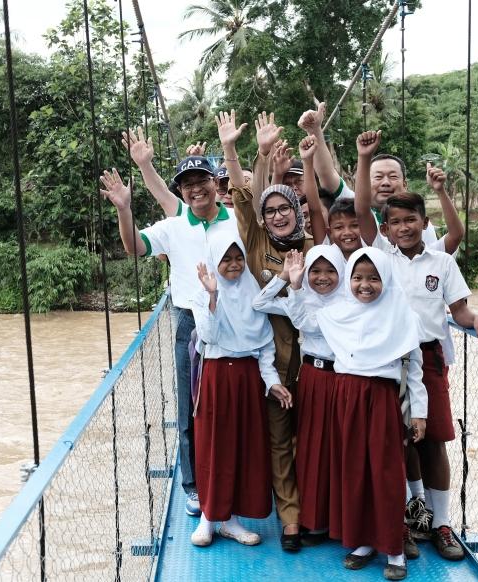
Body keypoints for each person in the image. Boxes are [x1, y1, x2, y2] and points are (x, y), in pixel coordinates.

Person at [353, 130, 478, 562]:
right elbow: (361, 210)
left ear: (422, 221)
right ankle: (406, 519)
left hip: (429, 357)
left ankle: (442, 524)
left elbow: (461, 310)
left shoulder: (442, 261)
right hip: (387, 359)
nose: (403, 228)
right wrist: (364, 159)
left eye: (410, 220)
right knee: (392, 442)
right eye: (394, 222)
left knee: (432, 441)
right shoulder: (380, 255)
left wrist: (477, 320)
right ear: (387, 229)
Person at [99, 151, 238, 519]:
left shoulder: (237, 222)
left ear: (214, 183)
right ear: (182, 191)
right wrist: (124, 210)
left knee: (233, 403)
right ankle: (193, 486)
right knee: (189, 408)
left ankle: (231, 482)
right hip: (190, 323)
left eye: (201, 182)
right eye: (187, 185)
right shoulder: (174, 227)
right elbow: (134, 246)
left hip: (236, 323)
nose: (196, 190)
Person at [218, 109, 312, 551]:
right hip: (270, 361)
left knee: (312, 440)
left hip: (314, 361)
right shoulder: (256, 244)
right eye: (270, 210)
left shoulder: (316, 250)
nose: (276, 216)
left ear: (296, 210)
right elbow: (244, 196)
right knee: (278, 442)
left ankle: (316, 512)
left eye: (283, 208)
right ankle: (291, 519)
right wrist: (245, 151)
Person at [317, 247, 429, 581]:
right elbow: (298, 314)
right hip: (347, 396)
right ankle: (362, 541)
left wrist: (419, 414)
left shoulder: (403, 316)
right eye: (358, 278)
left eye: (374, 278)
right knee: (353, 469)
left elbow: (415, 371)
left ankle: (394, 548)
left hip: (382, 398)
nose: (365, 285)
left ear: (386, 279)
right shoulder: (338, 313)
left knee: (385, 472)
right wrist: (293, 286)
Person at [190, 230, 293, 546]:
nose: (233, 265)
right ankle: (209, 517)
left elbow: (263, 347)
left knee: (243, 446)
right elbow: (209, 336)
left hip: (248, 377)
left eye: (238, 258)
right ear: (214, 261)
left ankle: (230, 520)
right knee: (214, 446)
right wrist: (212, 296)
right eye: (226, 259)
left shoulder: (251, 291)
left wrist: (272, 382)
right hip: (218, 376)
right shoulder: (203, 292)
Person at [253, 244, 346, 544]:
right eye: (316, 271)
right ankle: (314, 519)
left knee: (338, 448)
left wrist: (294, 291)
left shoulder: (349, 300)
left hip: (342, 379)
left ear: (341, 272)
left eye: (330, 271)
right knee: (311, 448)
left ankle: (339, 520)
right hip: (312, 377)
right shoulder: (300, 293)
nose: (322, 278)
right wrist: (285, 279)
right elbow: (259, 302)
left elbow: (311, 325)